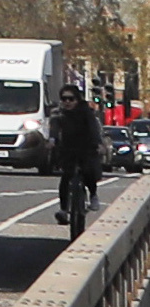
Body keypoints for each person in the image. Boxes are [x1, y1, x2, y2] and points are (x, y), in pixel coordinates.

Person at [50, 80, 108, 232]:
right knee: (66, 177)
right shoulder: (58, 113)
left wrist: (98, 144)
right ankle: (64, 209)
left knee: (88, 171)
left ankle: (93, 195)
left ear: (77, 99)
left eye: (71, 99)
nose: (67, 102)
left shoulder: (86, 112)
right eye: (64, 99)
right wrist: (52, 140)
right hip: (68, 148)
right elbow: (54, 129)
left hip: (86, 146)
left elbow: (93, 129)